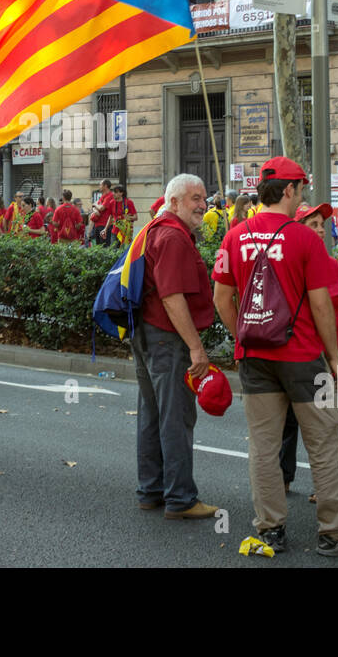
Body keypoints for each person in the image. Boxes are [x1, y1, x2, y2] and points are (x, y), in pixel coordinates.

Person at [213, 158, 338, 558]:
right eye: (302, 190)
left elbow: (222, 297)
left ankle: (270, 530)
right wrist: (336, 361)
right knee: (324, 444)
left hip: (253, 356)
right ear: (289, 190)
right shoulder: (307, 240)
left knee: (263, 448)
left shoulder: (234, 237)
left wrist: (242, 333)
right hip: (304, 357)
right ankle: (335, 534)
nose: (302, 197)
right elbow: (323, 307)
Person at [132, 174, 218, 522]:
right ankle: (180, 498)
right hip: (167, 339)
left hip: (149, 335)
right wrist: (196, 348)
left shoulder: (158, 229)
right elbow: (172, 297)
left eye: (203, 198)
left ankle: (151, 491)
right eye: (194, 198)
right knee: (176, 418)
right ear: (174, 202)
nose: (202, 204)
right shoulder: (173, 236)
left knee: (152, 414)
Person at [281, 202, 338, 500]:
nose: (318, 230)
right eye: (311, 223)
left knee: (328, 426)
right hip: (292, 359)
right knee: (288, 423)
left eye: (321, 224)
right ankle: (283, 480)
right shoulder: (286, 264)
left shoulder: (333, 267)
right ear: (296, 228)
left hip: (328, 363)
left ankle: (331, 484)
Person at [89, 179, 119, 247]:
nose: (99, 186)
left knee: (104, 246)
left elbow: (101, 208)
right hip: (97, 225)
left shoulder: (110, 196)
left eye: (100, 185)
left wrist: (96, 206)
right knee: (98, 247)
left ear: (105, 186)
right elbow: (94, 206)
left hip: (105, 226)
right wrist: (96, 209)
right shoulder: (103, 196)